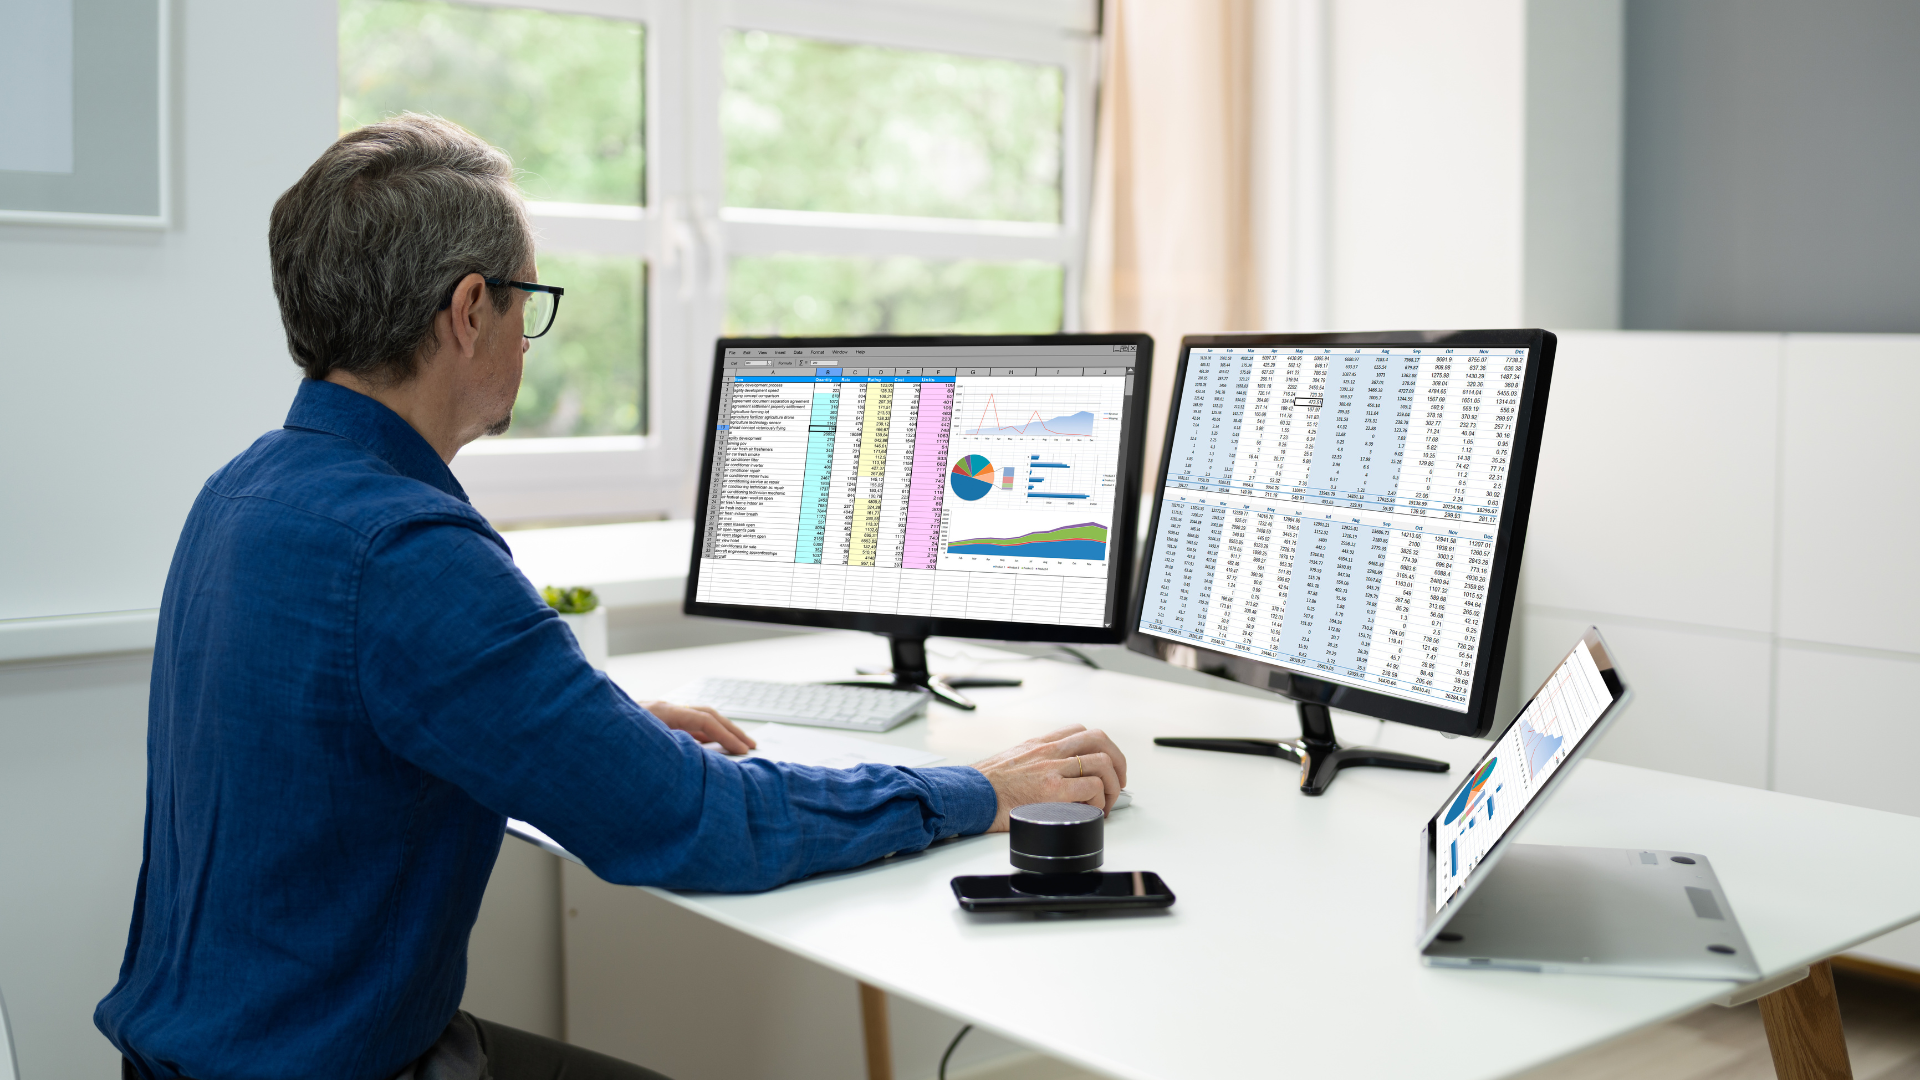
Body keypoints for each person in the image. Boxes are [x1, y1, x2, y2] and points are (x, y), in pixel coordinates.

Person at [95, 114, 1128, 1080]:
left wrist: (604, 729)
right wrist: (979, 789)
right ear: (467, 310)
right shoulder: (408, 551)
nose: (525, 338)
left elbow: (355, 720)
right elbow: (695, 824)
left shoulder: (243, 491)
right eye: (527, 303)